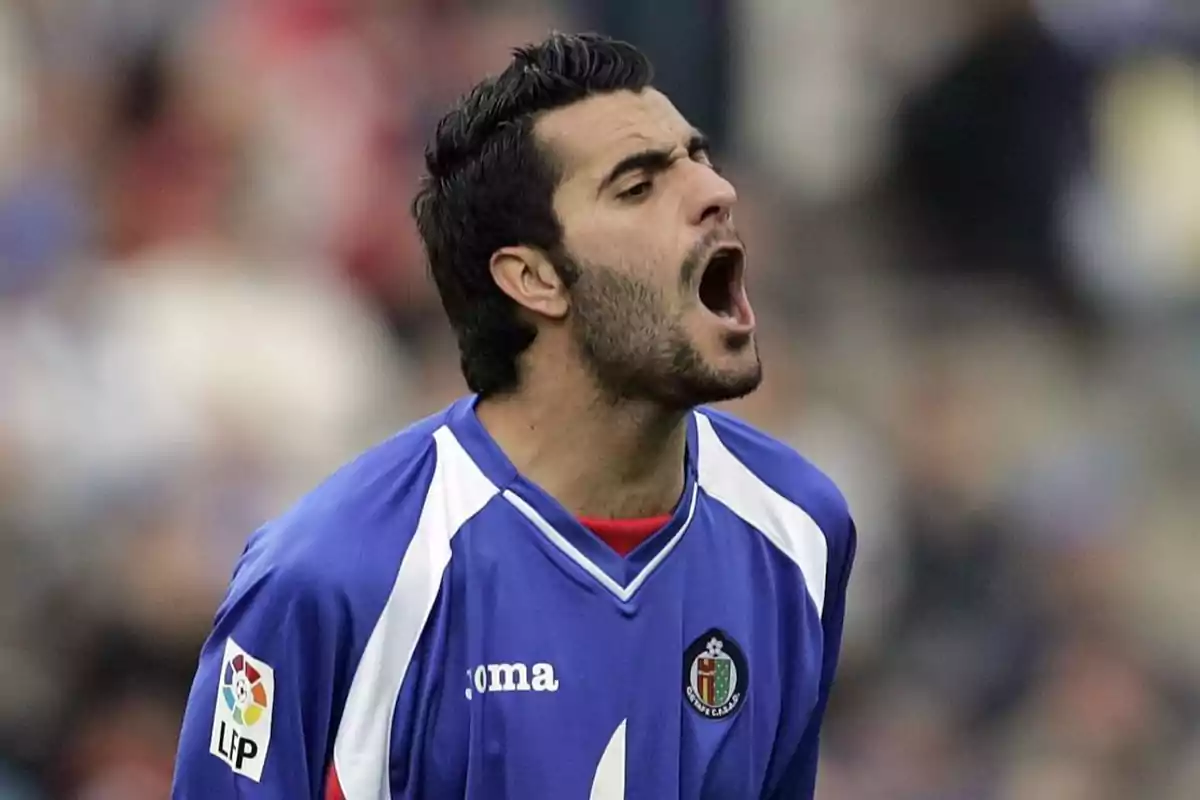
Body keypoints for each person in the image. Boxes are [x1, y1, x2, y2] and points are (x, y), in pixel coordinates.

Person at [172, 32, 856, 800]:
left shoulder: (799, 529)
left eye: (697, 159)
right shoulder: (333, 574)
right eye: (637, 186)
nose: (715, 191)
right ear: (534, 277)